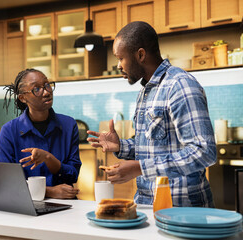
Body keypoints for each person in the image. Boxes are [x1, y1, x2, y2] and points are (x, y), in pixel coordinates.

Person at [87, 21, 217, 207]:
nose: (118, 65)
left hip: (182, 209)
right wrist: (120, 146)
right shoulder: (147, 91)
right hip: (148, 204)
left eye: (120, 58)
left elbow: (204, 151)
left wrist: (140, 168)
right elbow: (156, 147)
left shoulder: (180, 85)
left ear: (140, 55)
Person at [0, 68, 81, 199]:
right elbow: (6, 182)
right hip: (26, 204)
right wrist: (49, 191)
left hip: (66, 204)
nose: (47, 92)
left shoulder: (69, 125)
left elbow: (73, 175)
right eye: (36, 89)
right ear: (23, 98)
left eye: (47, 85)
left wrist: (49, 158)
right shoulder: (9, 130)